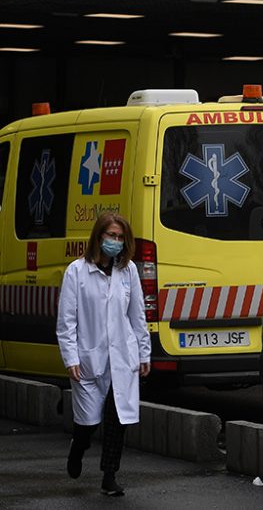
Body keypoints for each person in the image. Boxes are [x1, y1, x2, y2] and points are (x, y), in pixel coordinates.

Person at [56, 212, 151, 496]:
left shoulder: (129, 271)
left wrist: (144, 353)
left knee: (117, 420)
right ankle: (79, 445)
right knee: (89, 421)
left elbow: (137, 316)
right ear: (99, 237)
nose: (116, 242)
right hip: (88, 358)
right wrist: (71, 357)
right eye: (111, 235)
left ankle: (109, 476)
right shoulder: (77, 271)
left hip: (122, 359)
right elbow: (66, 321)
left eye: (121, 237)